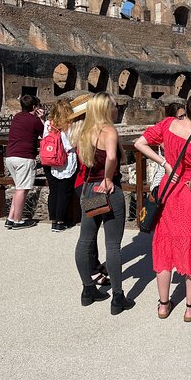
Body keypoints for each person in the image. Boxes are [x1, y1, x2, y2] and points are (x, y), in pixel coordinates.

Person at [134, 92, 191, 322]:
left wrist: (165, 163)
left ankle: (163, 305)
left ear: (186, 109)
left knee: (166, 246)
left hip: (170, 190)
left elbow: (140, 143)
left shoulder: (169, 124)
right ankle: (190, 308)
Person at [74, 92, 134, 315]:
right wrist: (109, 178)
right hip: (107, 189)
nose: (117, 108)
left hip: (89, 188)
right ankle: (118, 297)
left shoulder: (84, 130)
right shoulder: (108, 130)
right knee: (112, 244)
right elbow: (110, 157)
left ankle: (88, 290)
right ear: (105, 108)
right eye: (113, 105)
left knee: (85, 239)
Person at [69, 94, 110, 287]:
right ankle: (92, 272)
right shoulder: (87, 133)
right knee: (90, 232)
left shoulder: (79, 132)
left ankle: (93, 266)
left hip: (82, 185)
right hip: (90, 186)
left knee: (91, 229)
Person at [4, 95, 44, 230]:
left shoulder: (17, 117)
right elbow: (45, 134)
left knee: (19, 188)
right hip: (24, 158)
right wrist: (42, 118)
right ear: (34, 107)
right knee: (22, 189)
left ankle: (10, 218)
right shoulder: (35, 121)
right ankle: (18, 220)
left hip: (10, 156)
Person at [42, 99, 77, 232]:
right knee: (64, 192)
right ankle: (61, 221)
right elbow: (72, 144)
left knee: (54, 191)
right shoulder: (70, 125)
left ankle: (54, 220)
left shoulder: (48, 123)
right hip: (66, 160)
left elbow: (45, 139)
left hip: (49, 160)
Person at [149, 102, 186, 193]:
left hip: (179, 179)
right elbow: (173, 152)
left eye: (185, 116)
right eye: (181, 117)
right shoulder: (164, 134)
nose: (185, 119)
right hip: (164, 180)